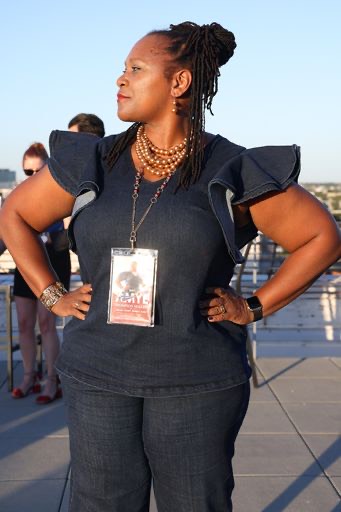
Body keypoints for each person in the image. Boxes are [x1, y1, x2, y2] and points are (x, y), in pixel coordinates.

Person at [0, 21, 340, 511]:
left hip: (195, 381)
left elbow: (322, 237)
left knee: (193, 503)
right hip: (98, 375)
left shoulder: (232, 168)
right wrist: (52, 293)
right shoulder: (92, 159)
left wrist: (253, 306)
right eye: (122, 69)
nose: (120, 79)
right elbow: (14, 214)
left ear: (179, 83)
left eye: (135, 69)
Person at [10, 143, 71, 404]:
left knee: (47, 325)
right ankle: (28, 376)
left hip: (54, 262)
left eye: (38, 170)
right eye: (27, 171)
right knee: (24, 324)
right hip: (24, 265)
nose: (33, 177)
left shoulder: (61, 195)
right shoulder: (17, 198)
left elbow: (73, 235)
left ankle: (51, 380)